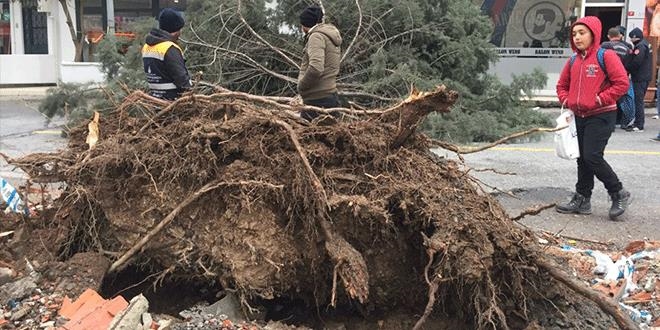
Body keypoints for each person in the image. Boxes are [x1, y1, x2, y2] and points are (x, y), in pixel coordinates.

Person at [556, 16, 632, 220]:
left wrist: (599, 99)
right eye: (574, 34)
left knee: (592, 156)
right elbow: (561, 86)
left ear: (594, 34)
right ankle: (582, 198)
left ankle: (618, 192)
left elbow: (622, 83)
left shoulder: (605, 56)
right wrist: (568, 100)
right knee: (582, 158)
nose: (577, 37)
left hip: (602, 114)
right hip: (579, 116)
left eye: (582, 33)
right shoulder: (573, 60)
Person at [297, 5, 343, 121]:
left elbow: (316, 68)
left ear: (304, 25)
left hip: (317, 100)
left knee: (309, 137)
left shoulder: (316, 37)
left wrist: (301, 86)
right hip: (329, 96)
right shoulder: (328, 35)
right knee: (331, 136)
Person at [142, 8, 191, 100]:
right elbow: (181, 79)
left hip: (155, 100)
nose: (180, 33)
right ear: (175, 29)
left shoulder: (147, 46)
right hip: (173, 102)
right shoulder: (169, 48)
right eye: (180, 29)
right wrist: (191, 93)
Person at [601, 27, 634, 128]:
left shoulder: (604, 46)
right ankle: (626, 121)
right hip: (623, 76)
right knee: (626, 99)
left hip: (608, 77)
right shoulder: (626, 48)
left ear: (608, 36)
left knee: (609, 98)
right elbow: (629, 63)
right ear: (619, 36)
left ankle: (609, 122)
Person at [627, 28, 652, 132]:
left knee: (638, 101)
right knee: (639, 100)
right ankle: (638, 122)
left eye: (631, 38)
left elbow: (637, 62)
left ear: (634, 37)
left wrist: (628, 68)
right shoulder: (646, 44)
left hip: (640, 77)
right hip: (645, 76)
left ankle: (639, 124)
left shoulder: (640, 46)